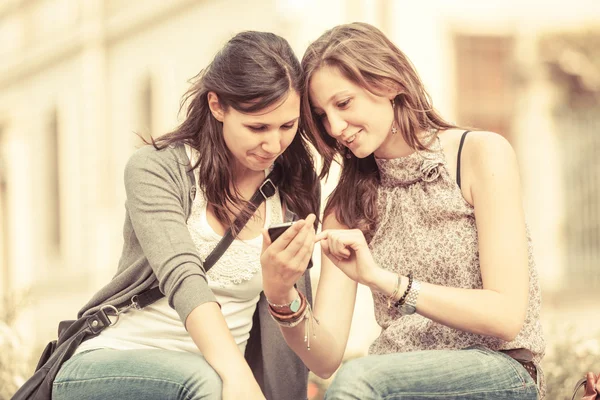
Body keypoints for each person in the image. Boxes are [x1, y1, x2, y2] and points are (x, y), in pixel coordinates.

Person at [51, 31, 320, 400]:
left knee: (208, 379)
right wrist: (239, 377)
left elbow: (289, 312)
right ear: (217, 105)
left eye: (287, 126)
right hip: (115, 360)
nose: (273, 144)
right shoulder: (157, 169)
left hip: (215, 376)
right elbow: (184, 277)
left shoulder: (292, 188)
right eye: (257, 127)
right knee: (205, 379)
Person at [293, 22, 545, 399]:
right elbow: (326, 359)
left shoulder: (478, 155)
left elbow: (506, 316)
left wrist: (383, 280)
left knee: (358, 380)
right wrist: (282, 295)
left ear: (390, 84)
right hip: (396, 381)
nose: (335, 127)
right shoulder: (347, 207)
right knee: (353, 378)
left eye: (343, 103)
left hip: (498, 370)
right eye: (322, 115)